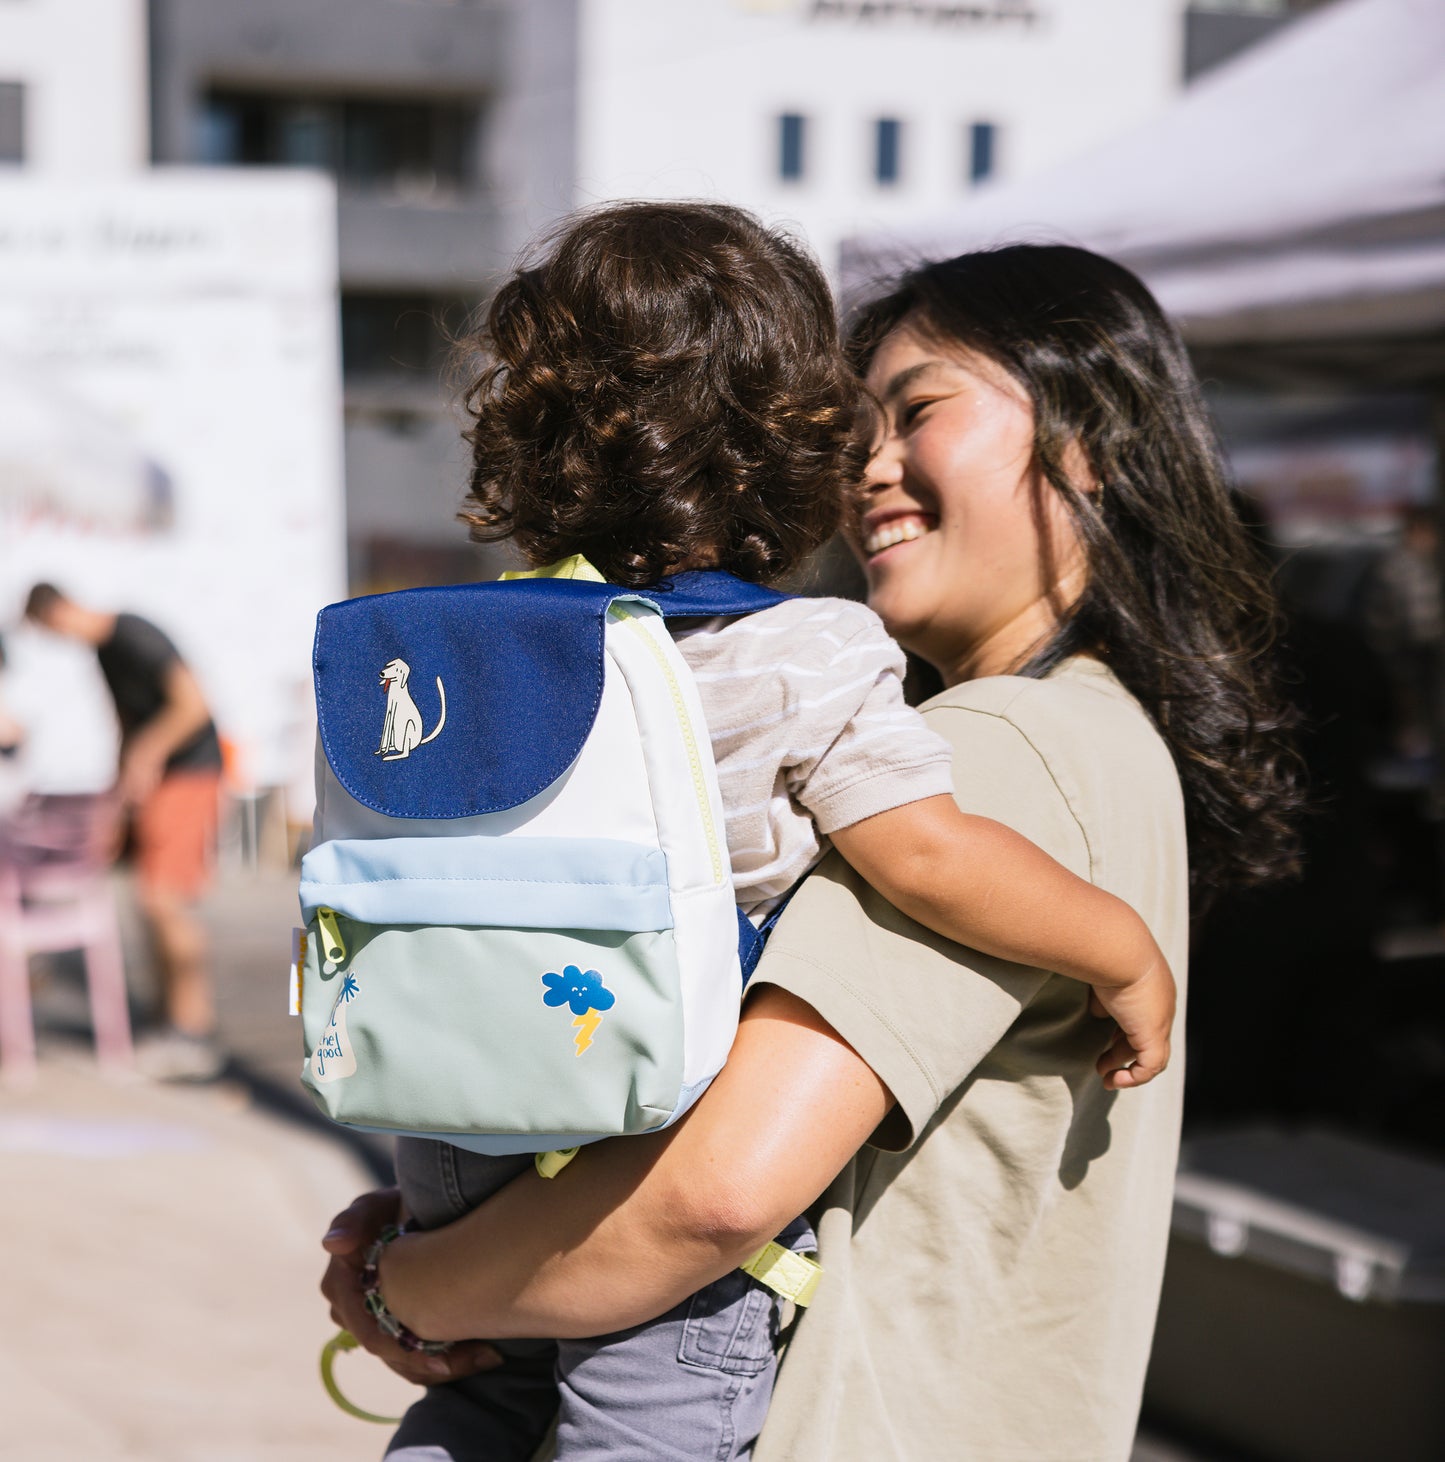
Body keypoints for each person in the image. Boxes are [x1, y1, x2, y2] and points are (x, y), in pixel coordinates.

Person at [322, 240, 1299, 1460]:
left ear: (1089, 435)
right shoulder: (1100, 732)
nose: (870, 469)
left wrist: (406, 1286)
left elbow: (709, 1195)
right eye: (853, 431)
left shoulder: (992, 746)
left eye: (919, 410)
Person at [24, 584, 225, 1080]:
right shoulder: (103, 652)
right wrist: (119, 793)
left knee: (165, 899)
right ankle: (168, 1020)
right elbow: (126, 724)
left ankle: (193, 1032)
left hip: (190, 772)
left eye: (51, 630)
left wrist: (146, 753)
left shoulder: (133, 633)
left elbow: (193, 705)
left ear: (59, 611)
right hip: (159, 781)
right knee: (147, 901)